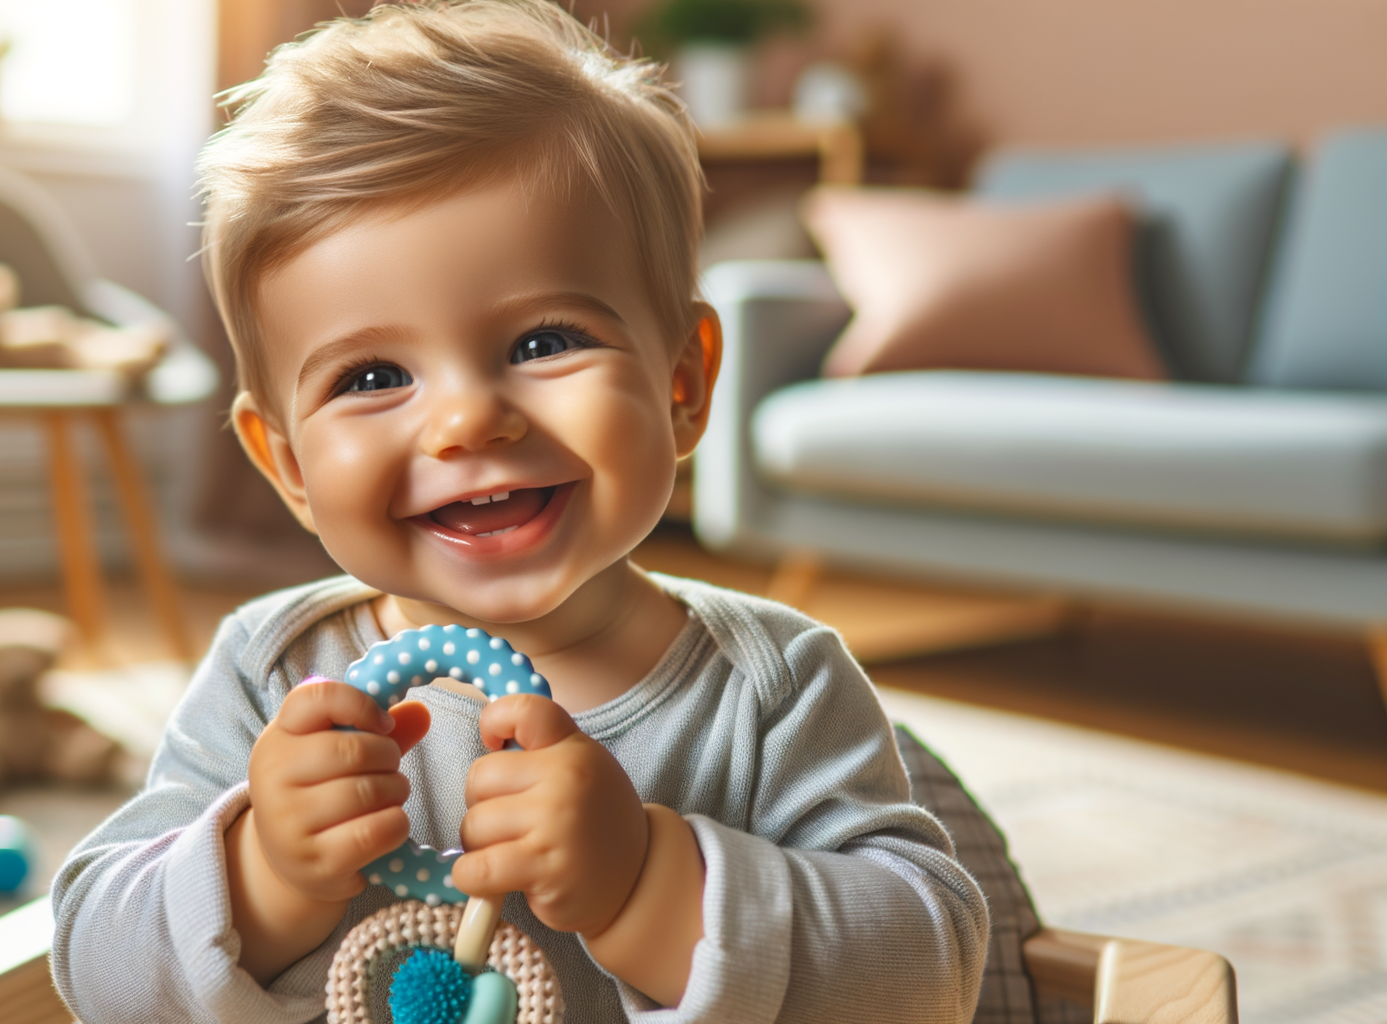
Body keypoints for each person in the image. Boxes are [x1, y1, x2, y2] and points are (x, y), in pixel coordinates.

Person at [51, 2, 988, 1021]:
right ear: (287, 466)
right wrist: (259, 877)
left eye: (543, 342)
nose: (465, 420)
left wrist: (648, 884)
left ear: (682, 385)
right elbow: (97, 972)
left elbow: (931, 971)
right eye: (372, 373)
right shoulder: (272, 673)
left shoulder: (775, 689)